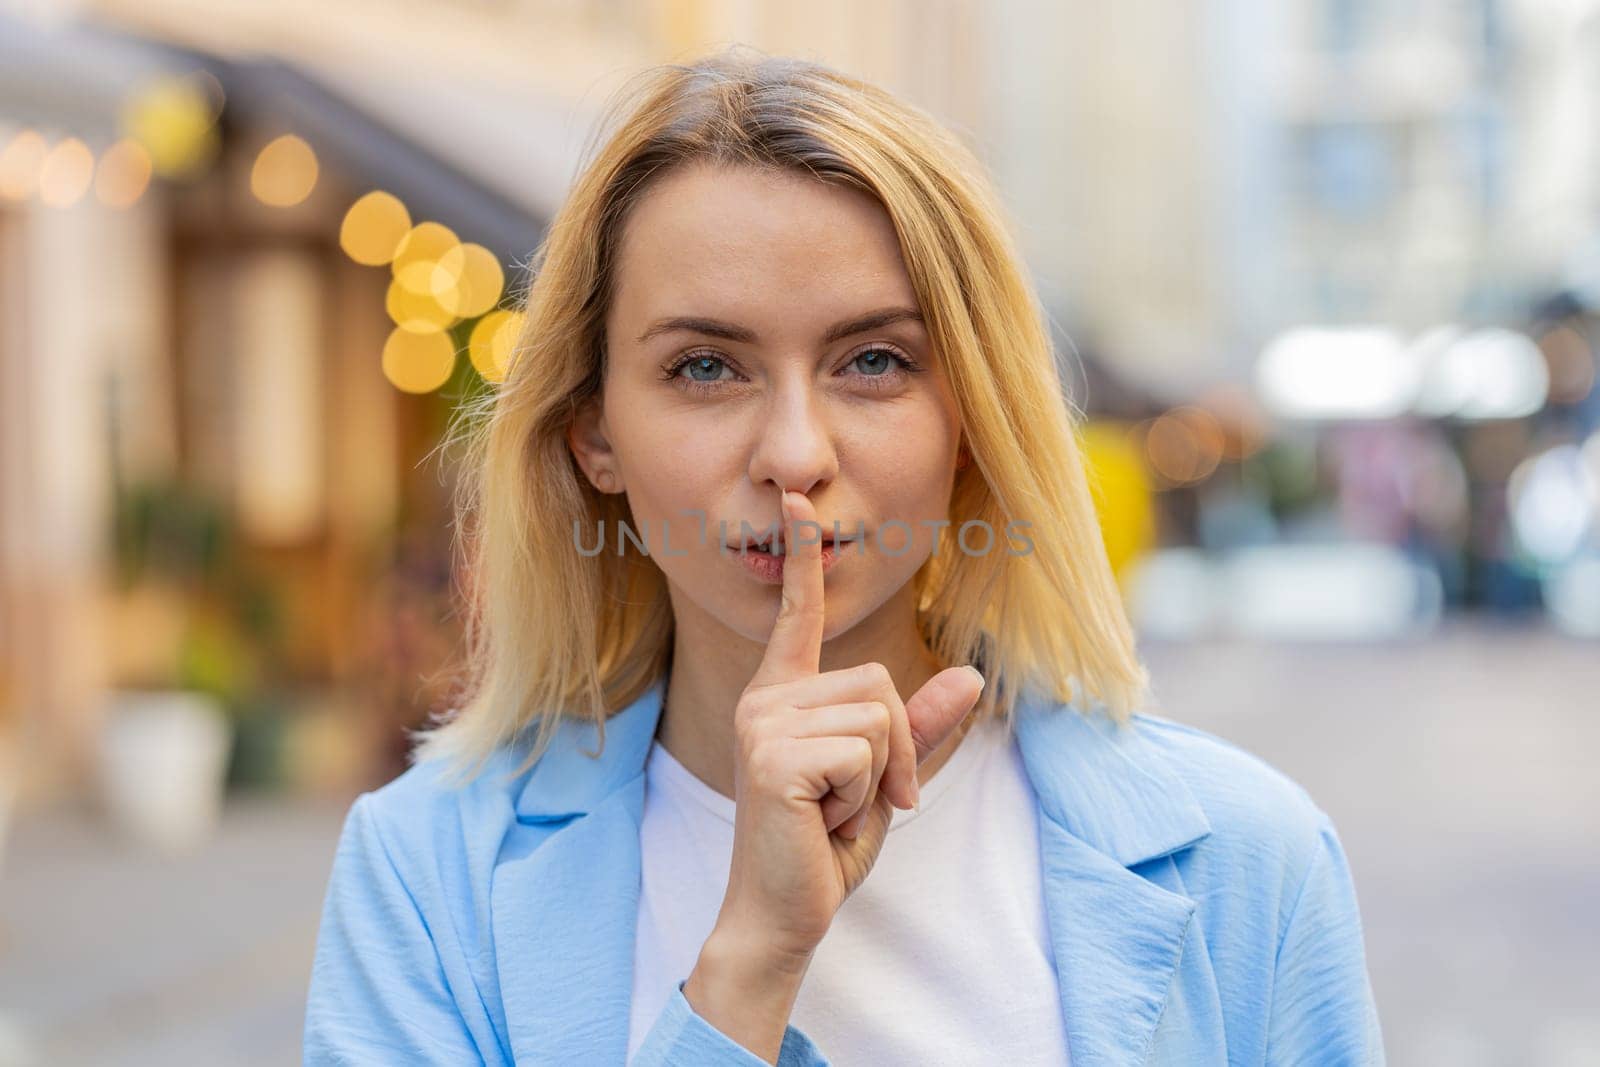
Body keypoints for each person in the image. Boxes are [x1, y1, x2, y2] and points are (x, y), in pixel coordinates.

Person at [303, 46, 1385, 1065]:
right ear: (594, 432)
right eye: (703, 368)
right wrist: (745, 967)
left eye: (872, 360)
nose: (793, 454)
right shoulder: (426, 875)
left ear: (969, 417)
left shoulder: (1251, 860)